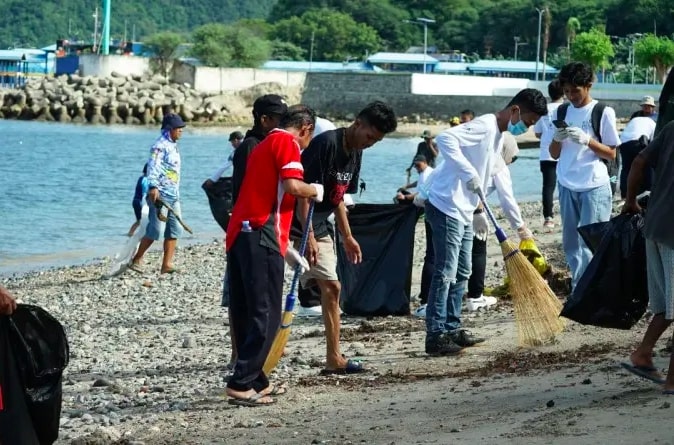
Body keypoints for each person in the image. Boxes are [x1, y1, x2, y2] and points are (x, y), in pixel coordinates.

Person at [421, 88, 547, 356]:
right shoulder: (486, 125)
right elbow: (445, 139)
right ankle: (435, 334)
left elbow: (497, 184)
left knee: (463, 271)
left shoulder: (500, 136)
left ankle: (453, 328)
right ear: (515, 111)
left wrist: (481, 211)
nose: (527, 127)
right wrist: (467, 172)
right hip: (446, 205)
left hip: (465, 209)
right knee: (445, 272)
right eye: (529, 121)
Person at [225, 105, 323, 406]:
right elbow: (293, 185)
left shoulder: (262, 143)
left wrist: (288, 247)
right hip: (261, 232)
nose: (307, 144)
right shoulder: (286, 142)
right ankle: (241, 383)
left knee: (246, 310)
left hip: (241, 234)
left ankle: (256, 379)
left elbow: (267, 190)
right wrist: (314, 190)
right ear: (305, 129)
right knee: (265, 314)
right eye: (309, 137)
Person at [294, 101, 398, 373]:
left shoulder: (355, 151)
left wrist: (348, 236)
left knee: (331, 288)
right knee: (330, 287)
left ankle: (333, 358)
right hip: (299, 222)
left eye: (376, 141)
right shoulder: (326, 144)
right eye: (369, 137)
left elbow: (338, 197)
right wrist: (309, 237)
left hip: (320, 223)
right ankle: (333, 358)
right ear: (358, 123)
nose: (370, 143)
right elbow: (303, 192)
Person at [221, 96, 288, 368]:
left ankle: (249, 356)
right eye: (278, 120)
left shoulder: (267, 144)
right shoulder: (251, 147)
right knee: (243, 298)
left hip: (260, 227)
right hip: (248, 229)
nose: (282, 127)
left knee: (253, 298)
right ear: (264, 119)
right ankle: (239, 355)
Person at [549, 62, 620, 291]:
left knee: (592, 241)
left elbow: (611, 154)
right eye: (567, 91)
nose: (571, 96)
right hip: (567, 182)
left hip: (594, 184)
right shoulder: (561, 111)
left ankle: (594, 290)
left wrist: (587, 140)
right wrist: (558, 138)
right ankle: (581, 288)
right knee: (571, 243)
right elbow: (553, 153)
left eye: (575, 91)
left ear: (588, 86)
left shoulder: (602, 112)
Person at [621, 119, 674, 394]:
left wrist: (630, 200)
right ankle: (672, 382)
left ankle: (643, 354)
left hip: (654, 224)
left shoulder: (672, 127)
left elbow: (639, 161)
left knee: (666, 303)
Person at [468, 132, 535, 310]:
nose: (512, 161)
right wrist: (520, 227)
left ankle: (432, 300)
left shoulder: (478, 157)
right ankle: (475, 297)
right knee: (477, 250)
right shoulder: (499, 167)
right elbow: (507, 200)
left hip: (444, 206)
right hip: (468, 211)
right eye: (513, 156)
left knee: (448, 254)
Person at [129, 113, 187, 274]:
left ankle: (166, 265)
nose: (181, 131)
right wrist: (153, 187)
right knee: (155, 231)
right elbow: (152, 167)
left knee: (174, 230)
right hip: (159, 193)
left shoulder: (173, 144)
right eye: (178, 128)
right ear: (170, 129)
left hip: (173, 193)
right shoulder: (159, 145)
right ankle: (137, 259)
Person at [296, 116, 338, 318]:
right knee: (308, 257)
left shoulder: (328, 150)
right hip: (309, 216)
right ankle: (309, 301)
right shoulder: (308, 155)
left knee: (324, 260)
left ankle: (320, 299)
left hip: (324, 214)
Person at [232, 95, 289, 204]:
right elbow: (246, 188)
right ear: (265, 120)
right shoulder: (251, 146)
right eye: (282, 120)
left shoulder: (274, 144)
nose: (287, 125)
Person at [396, 155, 434, 318]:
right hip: (435, 212)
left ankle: (426, 298)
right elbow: (418, 185)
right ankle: (427, 297)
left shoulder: (427, 174)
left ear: (425, 162)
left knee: (432, 256)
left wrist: (405, 197)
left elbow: (421, 194)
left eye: (418, 166)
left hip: (429, 211)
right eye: (416, 167)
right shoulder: (425, 173)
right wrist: (406, 185)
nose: (417, 169)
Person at [534, 79, 565, 230]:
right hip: (564, 152)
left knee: (548, 186)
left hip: (546, 153)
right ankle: (567, 214)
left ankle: (548, 218)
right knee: (566, 184)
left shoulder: (543, 109)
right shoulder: (567, 108)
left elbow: (538, 133)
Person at [618, 116, 656, 199]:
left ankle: (624, 195)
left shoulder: (635, 120)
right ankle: (648, 192)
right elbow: (654, 143)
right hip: (638, 142)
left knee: (626, 169)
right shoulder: (653, 123)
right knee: (648, 166)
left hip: (623, 143)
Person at [127, 164, 149, 236]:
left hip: (135, 201)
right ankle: (144, 235)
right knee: (144, 220)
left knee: (139, 221)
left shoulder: (141, 178)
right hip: (140, 202)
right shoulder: (146, 179)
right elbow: (145, 193)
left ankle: (130, 233)